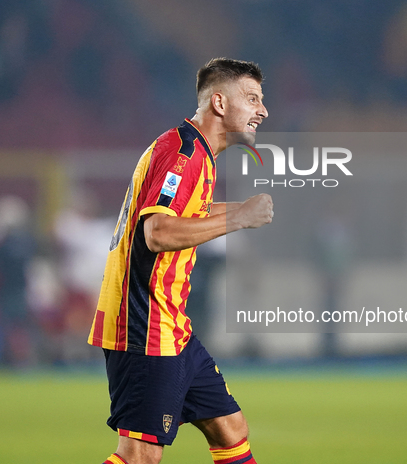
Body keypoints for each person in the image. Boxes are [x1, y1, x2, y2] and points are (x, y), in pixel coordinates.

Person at [88, 58, 272, 464]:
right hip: (145, 326)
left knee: (230, 428)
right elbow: (157, 233)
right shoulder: (183, 155)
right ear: (220, 103)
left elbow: (186, 214)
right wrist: (239, 218)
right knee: (139, 455)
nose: (262, 110)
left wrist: (239, 209)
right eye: (253, 98)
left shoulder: (195, 151)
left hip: (171, 326)